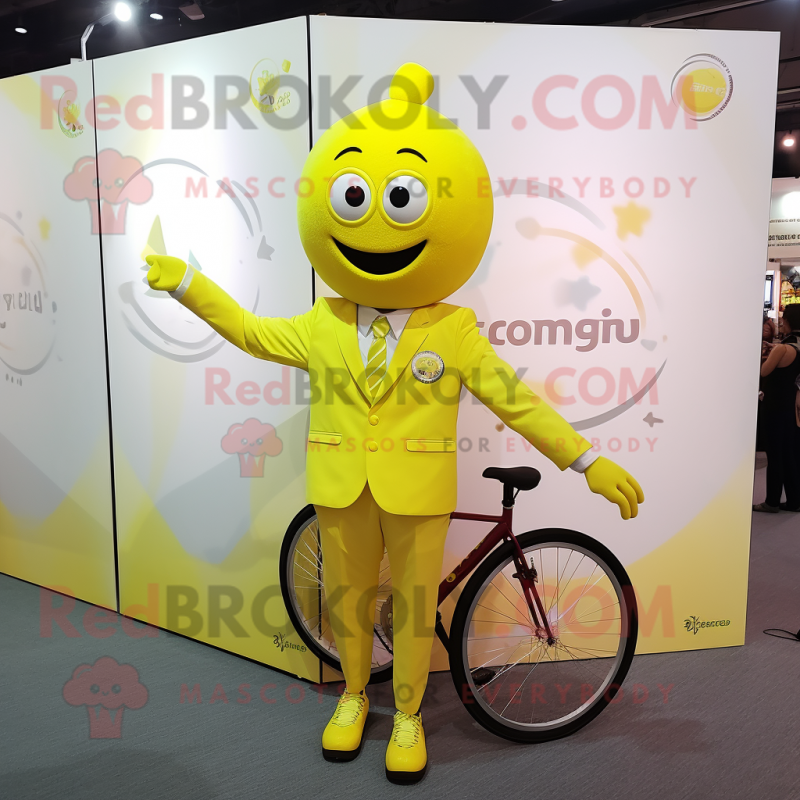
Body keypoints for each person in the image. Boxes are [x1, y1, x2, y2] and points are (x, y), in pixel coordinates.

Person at [144, 63, 644, 784]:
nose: (375, 221)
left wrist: (587, 459)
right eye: (354, 198)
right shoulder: (323, 319)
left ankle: (407, 712)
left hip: (417, 489)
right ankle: (352, 695)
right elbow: (253, 332)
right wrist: (189, 283)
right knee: (350, 599)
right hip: (341, 483)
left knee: (410, 607)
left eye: (400, 199)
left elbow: (516, 399)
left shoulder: (455, 328)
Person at [754, 322, 800, 512]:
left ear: (787, 323)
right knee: (791, 454)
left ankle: (772, 501)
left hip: (774, 405)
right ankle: (794, 501)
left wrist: (768, 355)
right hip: (791, 405)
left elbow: (764, 371)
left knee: (775, 454)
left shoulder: (782, 348)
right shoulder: (797, 346)